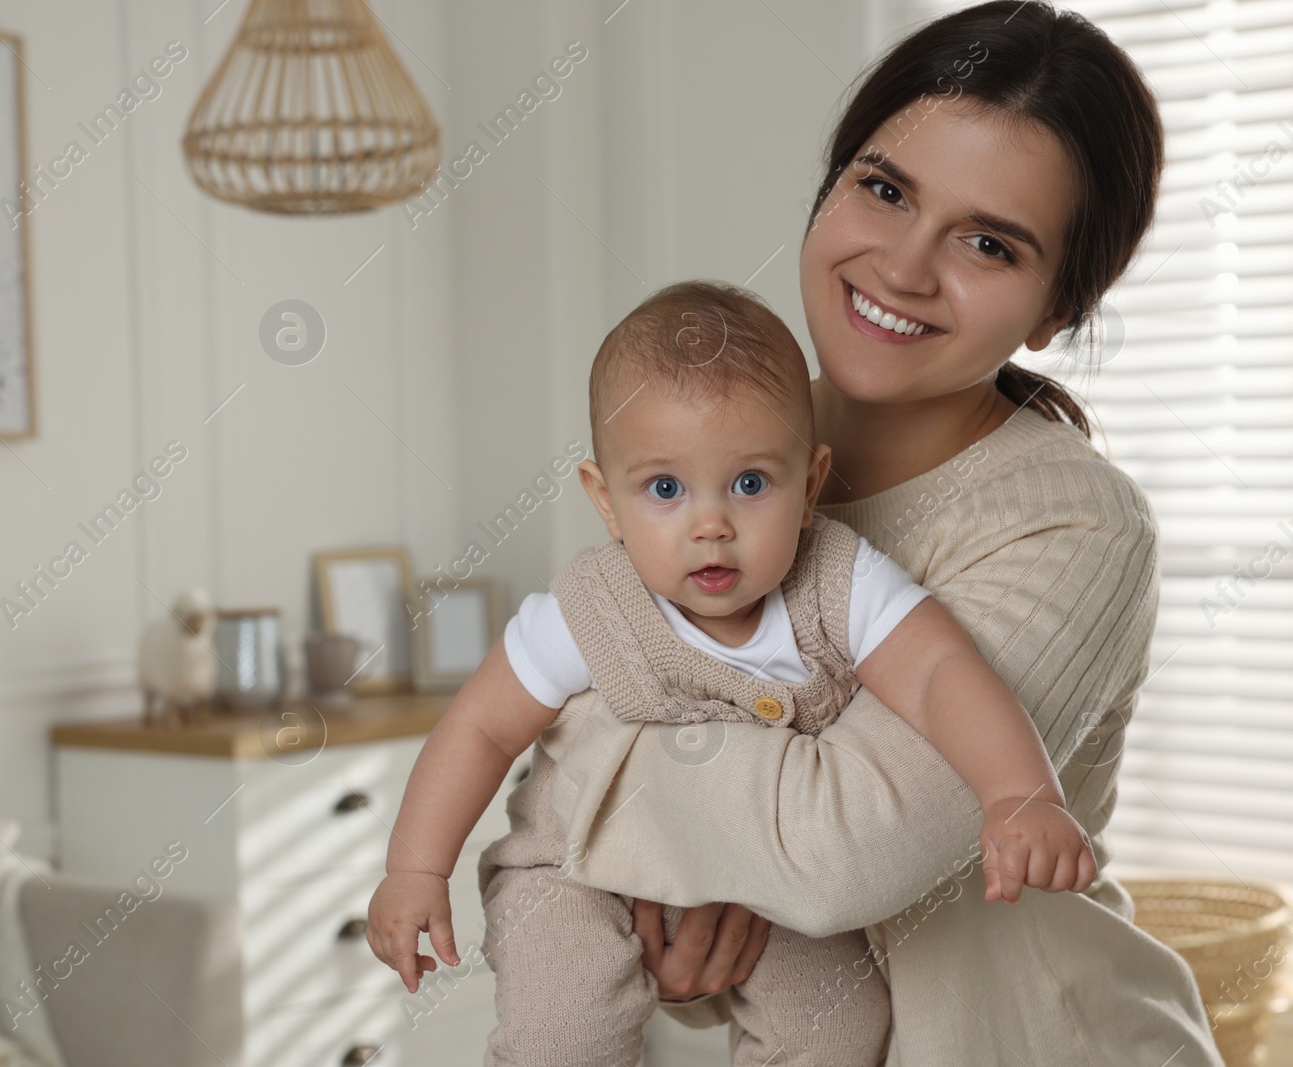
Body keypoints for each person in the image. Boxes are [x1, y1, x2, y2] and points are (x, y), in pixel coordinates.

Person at [541, 3, 1225, 1064]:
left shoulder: (1066, 518)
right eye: (884, 188)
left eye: (989, 243)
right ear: (829, 186)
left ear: (1055, 311)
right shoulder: (707, 453)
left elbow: (836, 852)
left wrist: (564, 777)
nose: (903, 267)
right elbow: (687, 887)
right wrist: (701, 895)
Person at [366, 279, 1099, 1066]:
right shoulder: (588, 608)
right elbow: (478, 726)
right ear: (605, 501)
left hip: (761, 887)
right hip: (573, 869)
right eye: (665, 489)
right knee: (563, 1034)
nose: (710, 524)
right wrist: (415, 867)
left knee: (838, 1022)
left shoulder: (840, 583)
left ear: (811, 484)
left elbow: (939, 672)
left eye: (750, 484)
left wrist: (1018, 792)